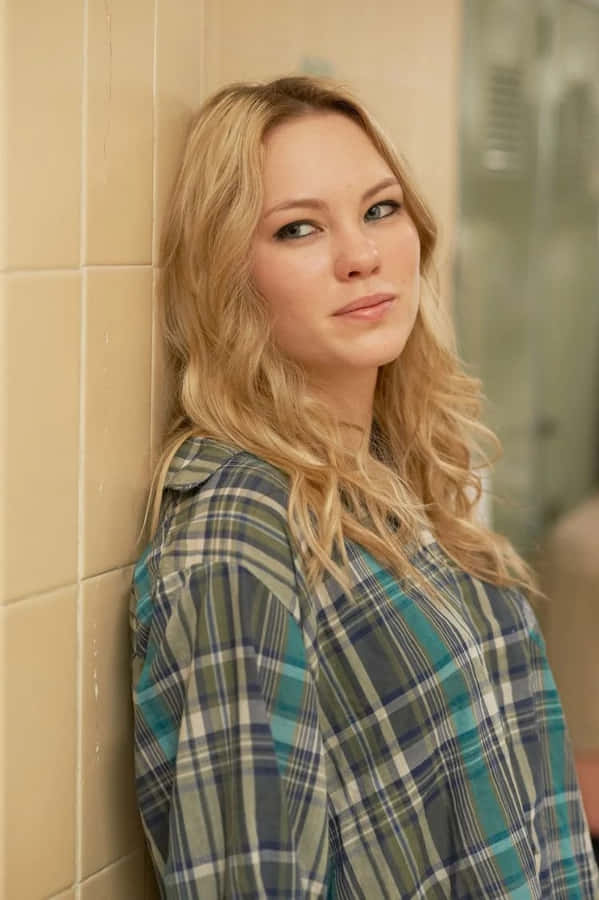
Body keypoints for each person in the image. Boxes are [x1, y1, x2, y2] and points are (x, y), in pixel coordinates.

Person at [129, 75, 599, 898]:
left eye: (380, 209)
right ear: (228, 274)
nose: (361, 256)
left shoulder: (393, 470)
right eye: (298, 228)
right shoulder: (239, 533)